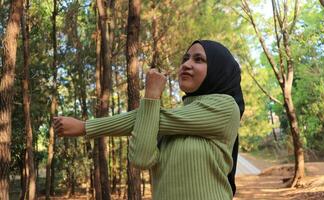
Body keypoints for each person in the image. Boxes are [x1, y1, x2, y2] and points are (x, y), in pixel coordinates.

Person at [54, 40, 244, 200]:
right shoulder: (173, 122)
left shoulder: (226, 107)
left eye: (199, 59)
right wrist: (151, 106)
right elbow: (140, 159)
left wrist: (86, 127)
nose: (186, 64)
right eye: (185, 59)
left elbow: (155, 118)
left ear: (219, 69)